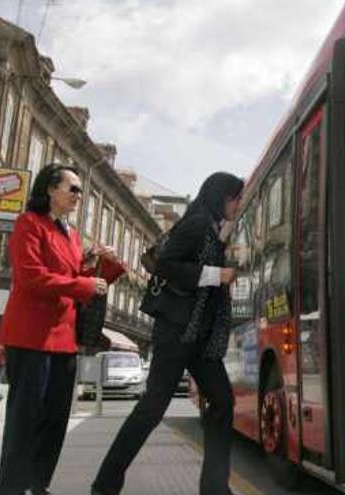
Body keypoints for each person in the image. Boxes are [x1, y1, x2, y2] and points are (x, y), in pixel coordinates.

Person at [92, 172, 244, 495]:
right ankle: (105, 484)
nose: (238, 204)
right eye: (235, 197)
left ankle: (215, 487)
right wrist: (218, 274)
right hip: (176, 331)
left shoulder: (212, 228)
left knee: (222, 401)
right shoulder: (198, 223)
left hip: (199, 336)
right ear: (222, 196)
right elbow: (164, 263)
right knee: (151, 409)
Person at [0, 164, 124, 495]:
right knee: (25, 422)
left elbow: (77, 275)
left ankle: (39, 486)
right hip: (31, 336)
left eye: (80, 189)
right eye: (73, 188)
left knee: (54, 421)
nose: (79, 195)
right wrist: (83, 282)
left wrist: (96, 260)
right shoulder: (29, 224)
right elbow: (31, 276)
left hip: (64, 340)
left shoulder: (71, 233)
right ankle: (10, 489)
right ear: (50, 189)